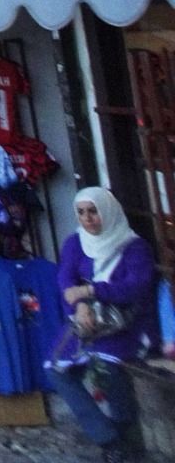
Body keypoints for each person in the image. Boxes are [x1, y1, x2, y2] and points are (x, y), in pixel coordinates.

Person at [53, 186, 160, 462]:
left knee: (110, 366)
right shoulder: (74, 244)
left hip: (125, 323)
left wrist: (90, 292)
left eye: (93, 212)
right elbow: (66, 281)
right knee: (57, 370)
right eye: (81, 213)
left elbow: (134, 287)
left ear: (107, 212)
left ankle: (126, 433)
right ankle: (108, 437)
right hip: (86, 322)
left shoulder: (134, 247)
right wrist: (79, 307)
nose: (88, 219)